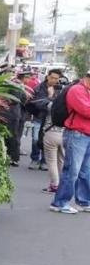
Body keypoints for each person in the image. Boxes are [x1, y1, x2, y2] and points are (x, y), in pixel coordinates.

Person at [49, 69, 90, 214]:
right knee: (72, 170)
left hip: (86, 134)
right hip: (76, 134)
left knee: (85, 171)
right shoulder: (77, 90)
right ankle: (59, 203)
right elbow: (86, 110)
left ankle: (84, 201)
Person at [26, 68, 63, 172]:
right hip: (39, 117)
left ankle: (44, 161)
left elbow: (59, 105)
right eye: (52, 77)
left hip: (52, 121)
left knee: (47, 142)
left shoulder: (60, 89)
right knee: (35, 139)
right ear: (47, 76)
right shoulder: (39, 88)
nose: (54, 80)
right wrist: (50, 98)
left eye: (56, 78)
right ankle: (34, 159)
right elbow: (38, 103)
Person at [40, 74, 68, 193]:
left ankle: (54, 185)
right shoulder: (70, 103)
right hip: (65, 133)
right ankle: (61, 184)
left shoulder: (53, 102)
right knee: (61, 160)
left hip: (51, 132)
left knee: (51, 161)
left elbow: (42, 106)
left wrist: (50, 95)